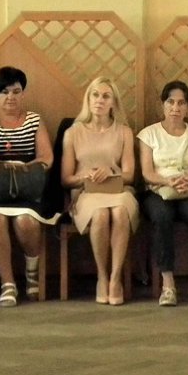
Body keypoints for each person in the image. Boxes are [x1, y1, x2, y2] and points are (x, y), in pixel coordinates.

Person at [0, 66, 59, 307]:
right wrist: (5, 167)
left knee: (25, 221)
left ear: (23, 93)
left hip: (28, 187)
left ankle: (32, 270)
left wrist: (23, 168)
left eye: (16, 91)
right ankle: (8, 283)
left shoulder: (35, 120)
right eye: (4, 92)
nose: (10, 97)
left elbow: (46, 157)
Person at [60, 76, 140, 306]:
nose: (100, 100)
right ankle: (102, 277)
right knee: (101, 214)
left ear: (113, 102)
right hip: (86, 192)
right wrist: (85, 176)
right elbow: (66, 179)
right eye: (95, 95)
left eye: (106, 96)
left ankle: (115, 278)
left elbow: (129, 175)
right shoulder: (73, 132)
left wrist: (110, 171)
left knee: (120, 211)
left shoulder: (124, 132)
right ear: (88, 99)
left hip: (118, 189)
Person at [137, 81, 188, 306]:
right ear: (163, 105)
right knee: (161, 217)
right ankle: (168, 284)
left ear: (187, 107)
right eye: (170, 102)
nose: (175, 108)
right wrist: (168, 181)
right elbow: (147, 173)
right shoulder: (149, 134)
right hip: (158, 190)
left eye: (181, 103)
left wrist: (187, 179)